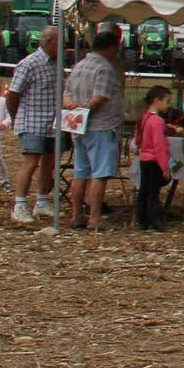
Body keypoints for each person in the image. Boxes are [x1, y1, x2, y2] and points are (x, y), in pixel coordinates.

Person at [62, 29, 125, 231]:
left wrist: (73, 109)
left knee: (81, 171)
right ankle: (95, 217)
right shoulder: (105, 68)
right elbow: (99, 97)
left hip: (79, 128)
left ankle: (77, 215)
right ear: (111, 47)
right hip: (101, 126)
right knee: (100, 173)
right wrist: (84, 111)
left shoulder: (79, 66)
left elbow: (66, 94)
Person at [6, 29, 60, 224]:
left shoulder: (57, 63)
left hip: (52, 122)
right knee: (31, 162)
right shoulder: (28, 63)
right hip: (32, 121)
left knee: (49, 162)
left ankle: (42, 201)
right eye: (61, 42)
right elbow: (13, 94)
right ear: (50, 41)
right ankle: (19, 205)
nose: (64, 47)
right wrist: (15, 117)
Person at [134, 85, 172, 232]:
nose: (168, 105)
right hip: (154, 160)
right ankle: (154, 222)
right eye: (166, 101)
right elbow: (159, 146)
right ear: (157, 100)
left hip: (144, 159)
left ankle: (142, 220)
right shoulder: (157, 121)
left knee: (144, 191)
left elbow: (138, 139)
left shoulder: (143, 118)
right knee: (153, 193)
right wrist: (165, 166)